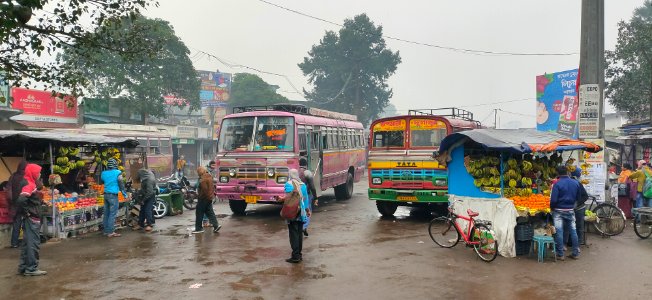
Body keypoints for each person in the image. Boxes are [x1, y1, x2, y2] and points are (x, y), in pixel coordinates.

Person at [15, 163, 47, 276]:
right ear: (33, 173)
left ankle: (23, 267)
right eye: (38, 172)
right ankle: (31, 268)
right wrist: (27, 213)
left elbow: (27, 199)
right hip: (32, 219)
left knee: (26, 243)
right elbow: (21, 200)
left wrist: (39, 201)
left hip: (30, 218)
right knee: (33, 244)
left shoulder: (29, 182)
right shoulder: (29, 184)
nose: (39, 174)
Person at [278, 169, 311, 263]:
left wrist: (281, 199)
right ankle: (299, 255)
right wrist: (307, 210)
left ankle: (295, 256)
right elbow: (305, 199)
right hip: (301, 212)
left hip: (293, 211)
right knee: (299, 233)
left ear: (290, 175)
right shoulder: (303, 185)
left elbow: (288, 198)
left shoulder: (289, 184)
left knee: (293, 234)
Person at [550, 166, 582, 260]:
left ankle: (560, 254)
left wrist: (552, 208)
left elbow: (553, 200)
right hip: (570, 210)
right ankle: (575, 253)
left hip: (558, 211)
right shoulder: (575, 183)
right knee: (573, 231)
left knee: (559, 231)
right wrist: (572, 206)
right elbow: (578, 198)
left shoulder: (557, 184)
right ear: (567, 172)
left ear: (558, 174)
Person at [101, 158, 127, 238]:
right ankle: (111, 232)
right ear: (115, 165)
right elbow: (121, 183)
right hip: (113, 195)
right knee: (112, 213)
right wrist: (124, 194)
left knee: (106, 213)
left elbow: (102, 181)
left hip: (105, 195)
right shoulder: (118, 172)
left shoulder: (103, 173)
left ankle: (106, 231)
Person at [192, 166, 221, 234]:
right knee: (210, 212)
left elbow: (204, 190)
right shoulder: (209, 176)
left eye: (198, 172)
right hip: (209, 198)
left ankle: (198, 228)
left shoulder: (203, 180)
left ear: (199, 172)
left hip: (203, 199)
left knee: (199, 213)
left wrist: (200, 196)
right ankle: (216, 226)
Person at [6, 161, 27, 248]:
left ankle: (14, 243)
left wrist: (12, 201)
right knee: (27, 223)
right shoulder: (26, 177)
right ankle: (25, 242)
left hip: (15, 203)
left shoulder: (13, 176)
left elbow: (8, 190)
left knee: (17, 223)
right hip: (25, 202)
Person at [299, 158, 317, 236]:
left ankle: (301, 227)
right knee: (308, 210)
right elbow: (312, 187)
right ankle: (304, 227)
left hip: (296, 195)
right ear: (306, 164)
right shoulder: (308, 173)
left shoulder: (295, 172)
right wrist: (316, 197)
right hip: (306, 195)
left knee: (300, 210)